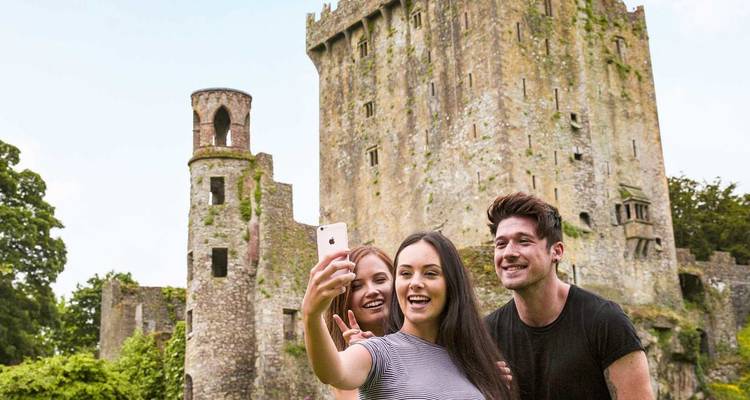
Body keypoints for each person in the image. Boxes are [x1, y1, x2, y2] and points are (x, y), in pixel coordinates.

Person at [303, 231, 516, 399]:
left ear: (452, 284)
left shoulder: (470, 360)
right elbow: (333, 372)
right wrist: (312, 315)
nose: (415, 283)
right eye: (405, 273)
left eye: (430, 273)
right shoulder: (378, 352)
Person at [483, 192, 654, 400]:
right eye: (500, 244)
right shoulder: (487, 334)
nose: (508, 252)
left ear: (557, 251)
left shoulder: (605, 322)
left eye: (524, 241)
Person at [324, 245, 394, 400]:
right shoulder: (345, 371)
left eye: (380, 280)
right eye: (356, 286)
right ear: (343, 298)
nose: (371, 291)